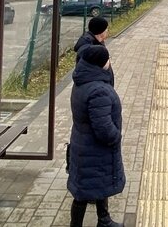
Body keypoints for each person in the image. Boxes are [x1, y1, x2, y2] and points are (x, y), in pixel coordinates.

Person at [67, 45, 125, 227]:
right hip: (94, 149)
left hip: (82, 143)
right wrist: (115, 137)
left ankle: (104, 220)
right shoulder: (98, 90)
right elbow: (103, 127)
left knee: (98, 183)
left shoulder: (82, 80)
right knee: (83, 193)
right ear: (101, 63)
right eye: (108, 59)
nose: (110, 62)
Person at [75, 16, 114, 86]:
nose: (107, 31)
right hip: (98, 88)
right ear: (101, 31)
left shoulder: (98, 42)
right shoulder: (89, 48)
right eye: (106, 29)